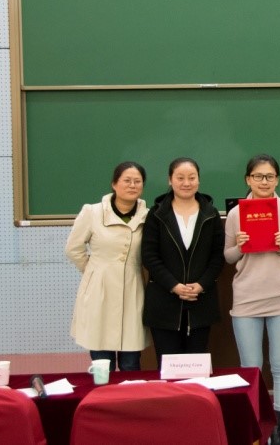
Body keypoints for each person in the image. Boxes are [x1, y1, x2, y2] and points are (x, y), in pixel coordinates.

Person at [225, 154, 280, 445]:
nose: (264, 181)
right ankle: (257, 427)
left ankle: (279, 429)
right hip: (246, 298)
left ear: (277, 180)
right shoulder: (236, 213)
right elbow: (228, 256)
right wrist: (240, 246)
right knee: (252, 367)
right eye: (258, 176)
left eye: (269, 176)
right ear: (248, 179)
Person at [65, 161, 149, 371]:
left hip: (133, 289)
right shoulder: (92, 212)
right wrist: (94, 272)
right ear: (114, 184)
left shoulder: (148, 216)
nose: (132, 185)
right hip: (99, 291)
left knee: (131, 362)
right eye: (127, 180)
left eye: (137, 181)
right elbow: (73, 249)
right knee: (102, 362)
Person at [142, 157, 225, 363]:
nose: (186, 183)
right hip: (164, 304)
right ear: (170, 180)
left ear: (198, 180)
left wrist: (201, 285)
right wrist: (174, 286)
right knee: (168, 368)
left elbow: (217, 256)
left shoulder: (210, 214)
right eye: (180, 178)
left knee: (196, 369)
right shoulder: (157, 214)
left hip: (200, 303)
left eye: (192, 177)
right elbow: (149, 256)